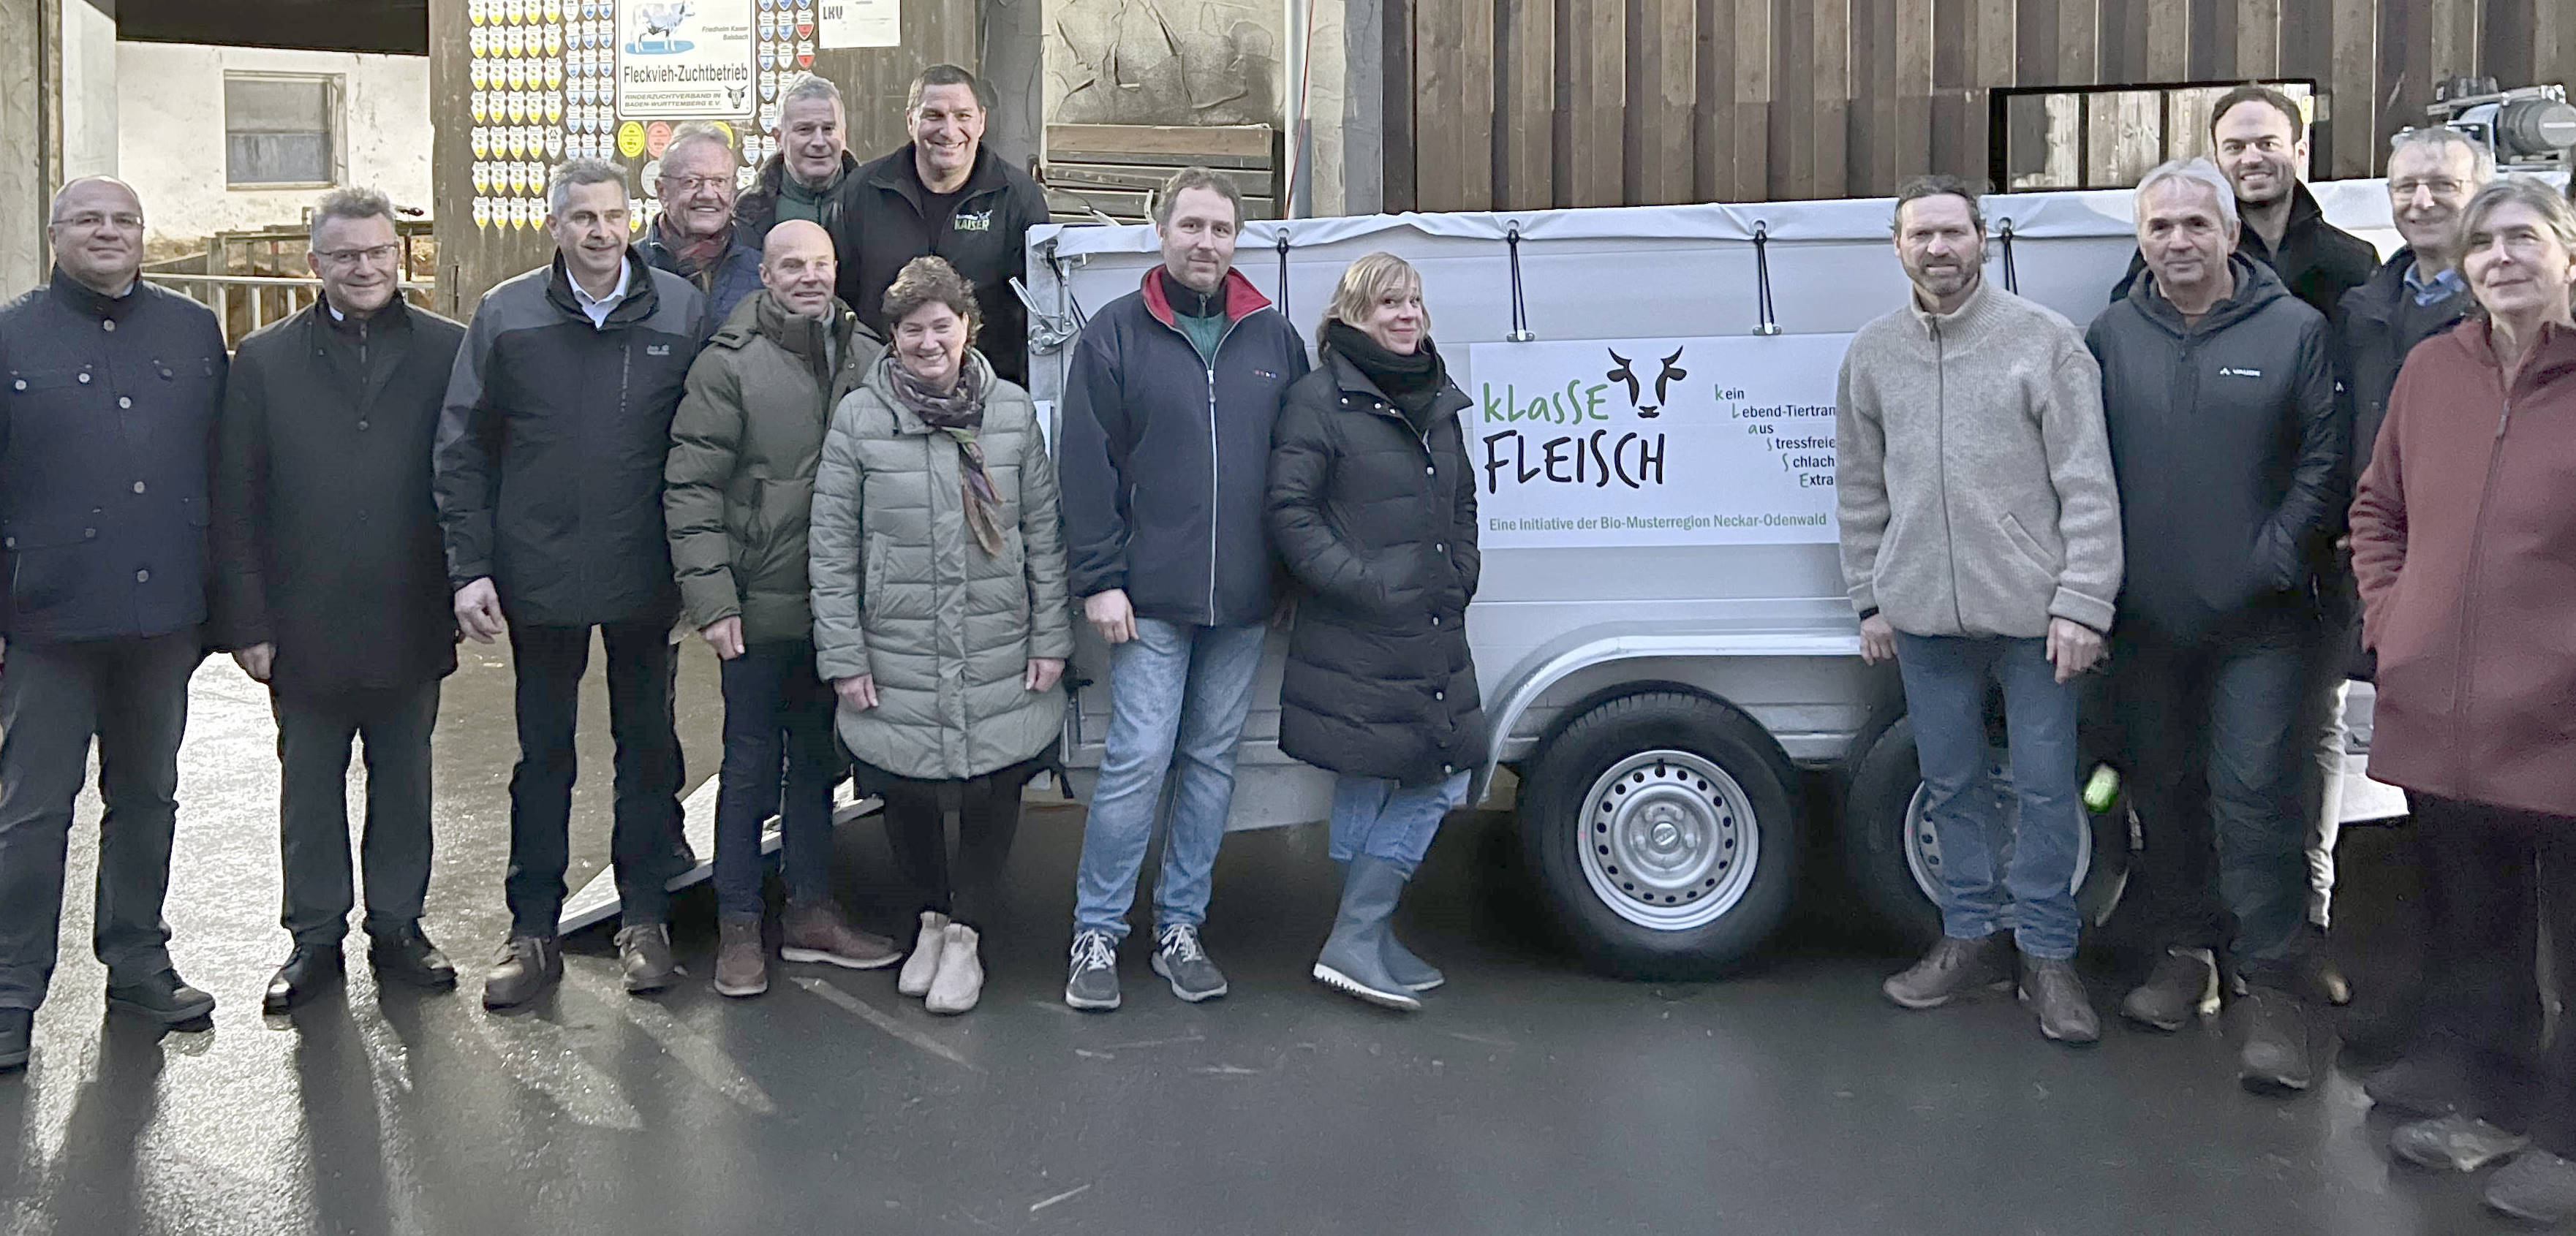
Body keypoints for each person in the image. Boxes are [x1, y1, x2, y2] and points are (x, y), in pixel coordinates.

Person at [1838, 177, 2123, 1044]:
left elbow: (2087, 483)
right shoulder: (1872, 354)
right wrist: (1870, 595)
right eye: (1920, 235)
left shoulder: (2044, 343)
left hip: (2036, 620)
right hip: (1922, 620)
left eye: (1952, 232)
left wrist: (2082, 601)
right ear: (1897, 248)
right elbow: (1856, 485)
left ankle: (2046, 955)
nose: (1937, 249)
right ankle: (1967, 941)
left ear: (1983, 238)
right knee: (1950, 784)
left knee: (2043, 789)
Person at [2349, 176, 2576, 1224]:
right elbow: (2375, 506)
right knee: (2475, 926)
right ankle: (2484, 1103)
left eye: (2521, 237)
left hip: (2562, 715)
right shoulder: (2428, 370)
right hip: (2445, 712)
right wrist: (2397, 621)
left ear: (2563, 250)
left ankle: (2567, 1142)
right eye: (2482, 243)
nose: (2499, 258)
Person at [2088, 158, 2342, 1093]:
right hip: (2148, 616)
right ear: (2141, 241)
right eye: (2160, 228)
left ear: (2232, 234)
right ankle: (2184, 953)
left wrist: (2273, 558)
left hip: (2260, 621)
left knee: (2252, 796)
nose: (2178, 242)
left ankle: (2271, 990)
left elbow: (2324, 457)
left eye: (2197, 224)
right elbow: (2084, 468)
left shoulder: (2293, 332)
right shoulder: (2113, 335)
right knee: (2162, 789)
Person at [436, 159, 709, 1010]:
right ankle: (532, 930)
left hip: (645, 571)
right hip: (538, 574)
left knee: (647, 747)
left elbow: (704, 445)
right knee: (543, 756)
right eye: (581, 218)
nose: (599, 232)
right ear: (553, 227)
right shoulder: (506, 315)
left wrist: (702, 569)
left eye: (613, 215)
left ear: (635, 220)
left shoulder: (681, 309)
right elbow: (463, 448)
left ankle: (644, 921)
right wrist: (470, 567)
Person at [1057, 168, 1310, 1012]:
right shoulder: (1115, 336)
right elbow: (1083, 469)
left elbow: (1298, 471)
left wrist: (1286, 575)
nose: (1206, 242)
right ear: (1159, 232)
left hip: (1243, 602)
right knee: (1136, 761)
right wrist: (1099, 579)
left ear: (1239, 242)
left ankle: (1180, 927)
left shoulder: (1274, 340)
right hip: (1149, 601)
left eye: (1222, 229)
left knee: (1209, 764)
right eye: (1191, 226)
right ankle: (1096, 932)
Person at [210, 188, 467, 1013]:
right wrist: (246, 620)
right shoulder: (263, 359)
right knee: (309, 783)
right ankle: (313, 938)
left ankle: (398, 926)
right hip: (302, 618)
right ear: (313, 263)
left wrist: (469, 582)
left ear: (402, 254)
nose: (364, 268)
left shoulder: (448, 350)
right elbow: (236, 499)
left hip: (409, 607)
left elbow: (469, 481)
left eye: (378, 252)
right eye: (345, 255)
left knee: (406, 779)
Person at [0, 178, 227, 1071]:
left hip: (160, 614)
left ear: (144, 235)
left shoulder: (191, 330)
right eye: (89, 219)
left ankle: (137, 962)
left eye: (124, 220)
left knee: (147, 799)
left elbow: (222, 467)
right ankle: (12, 990)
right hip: (47, 619)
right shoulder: (12, 333)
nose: (108, 232)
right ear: (56, 234)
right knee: (30, 811)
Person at [807, 256, 1071, 1016]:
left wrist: (1050, 634)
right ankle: (928, 917)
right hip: (897, 638)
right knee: (907, 781)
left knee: (995, 779)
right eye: (912, 328)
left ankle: (967, 934)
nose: (928, 342)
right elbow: (833, 545)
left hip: (998, 632)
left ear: (968, 328)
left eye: (942, 325)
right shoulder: (860, 417)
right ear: (891, 337)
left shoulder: (1012, 413)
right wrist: (845, 653)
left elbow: (1045, 533)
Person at [665, 220, 900, 1000]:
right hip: (757, 603)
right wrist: (712, 600)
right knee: (749, 761)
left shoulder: (868, 357)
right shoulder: (727, 367)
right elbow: (692, 488)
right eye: (790, 265)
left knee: (817, 765)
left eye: (820, 263)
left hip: (837, 607)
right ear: (763, 276)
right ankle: (738, 922)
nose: (808, 277)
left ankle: (809, 911)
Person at [2314, 126, 2493, 1053]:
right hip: (2386, 584)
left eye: (2442, 184)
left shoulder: (2502, 305)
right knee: (2404, 804)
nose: (2421, 201)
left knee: (2487, 824)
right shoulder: (2364, 305)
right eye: (2406, 185)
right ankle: (2420, 1005)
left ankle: (2492, 1030)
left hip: (2488, 590)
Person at [1266, 253, 1481, 1013]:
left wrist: (1460, 573)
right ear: (1351, 313)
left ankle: (1365, 932)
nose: (1407, 314)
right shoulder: (1319, 400)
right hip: (1359, 628)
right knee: (1406, 771)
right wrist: (1365, 583)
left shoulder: (1437, 395)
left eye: (1415, 300)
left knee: (1398, 770)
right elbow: (1290, 513)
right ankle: (1358, 933)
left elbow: (1460, 504)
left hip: (1428, 622)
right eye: (1389, 302)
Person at [845, 65, 1052, 387]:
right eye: (934, 116)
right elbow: (843, 298)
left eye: (963, 116)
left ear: (982, 121)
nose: (949, 130)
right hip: (880, 391)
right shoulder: (864, 190)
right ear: (910, 121)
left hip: (984, 391)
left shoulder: (1017, 196)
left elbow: (1039, 310)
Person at [2111, 86, 2377, 322]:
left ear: (2300, 153)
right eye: (2235, 147)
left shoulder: (2353, 262)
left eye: (2267, 144)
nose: (2251, 159)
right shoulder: (2174, 255)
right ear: (2216, 159)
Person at [736, 75, 862, 274]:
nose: (819, 142)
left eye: (828, 129)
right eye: (805, 130)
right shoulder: (742, 215)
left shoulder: (879, 205)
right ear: (778, 137)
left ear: (844, 134)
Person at [641, 123, 764, 323]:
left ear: (733, 190)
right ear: (662, 191)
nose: (708, 194)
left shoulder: (761, 273)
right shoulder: (629, 270)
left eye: (719, 182)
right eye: (691, 181)